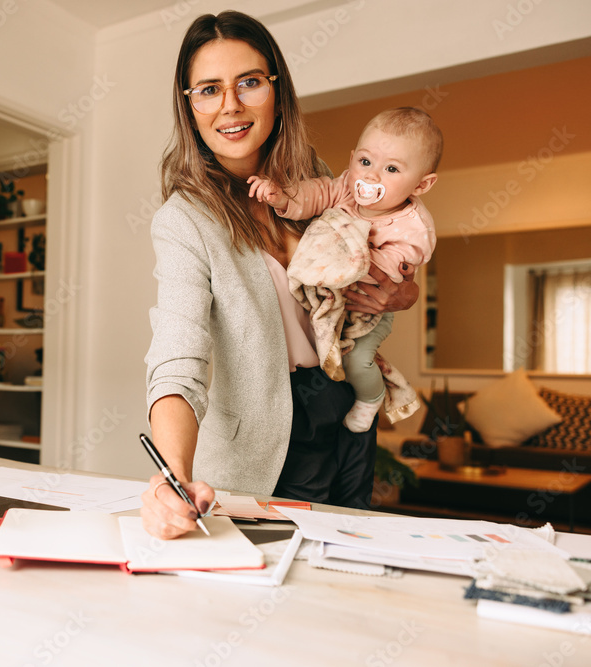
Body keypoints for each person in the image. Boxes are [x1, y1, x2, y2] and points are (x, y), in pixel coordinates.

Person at [141, 11, 418, 540]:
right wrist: (172, 475)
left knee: (354, 557)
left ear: (277, 89)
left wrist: (401, 292)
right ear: (188, 105)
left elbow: (388, 257)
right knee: (279, 583)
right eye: (208, 89)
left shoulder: (315, 179)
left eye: (248, 82)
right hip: (269, 435)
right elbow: (179, 352)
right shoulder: (184, 220)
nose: (231, 105)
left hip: (345, 403)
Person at [247, 107, 441, 432]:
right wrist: (283, 197)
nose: (372, 176)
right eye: (365, 162)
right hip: (333, 299)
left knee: (357, 360)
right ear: (353, 159)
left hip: (369, 310)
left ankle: (371, 397)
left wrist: (347, 257)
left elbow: (394, 269)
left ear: (422, 185)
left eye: (391, 168)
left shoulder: (413, 228)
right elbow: (317, 193)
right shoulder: (347, 188)